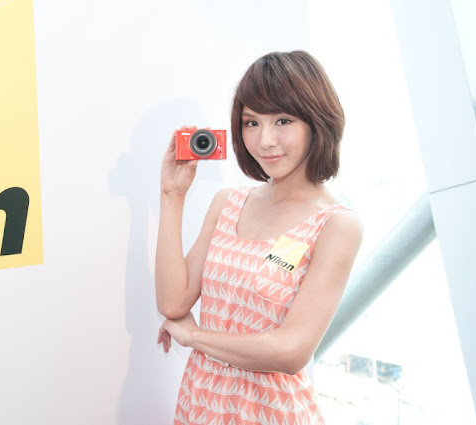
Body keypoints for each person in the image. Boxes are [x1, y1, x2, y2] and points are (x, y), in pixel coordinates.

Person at [155, 50, 363, 424]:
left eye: (283, 121)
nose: (265, 140)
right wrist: (172, 195)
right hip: (200, 405)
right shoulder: (228, 203)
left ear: (317, 123)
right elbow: (173, 303)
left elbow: (291, 350)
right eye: (251, 123)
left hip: (271, 412)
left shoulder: (335, 225)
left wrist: (195, 337)